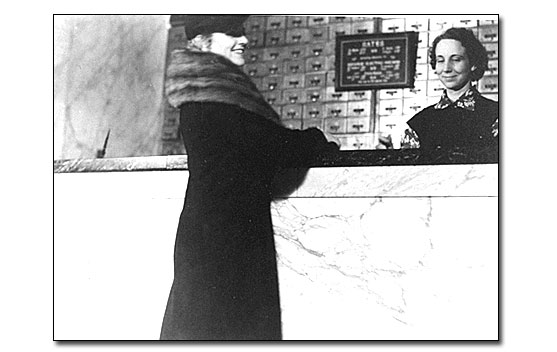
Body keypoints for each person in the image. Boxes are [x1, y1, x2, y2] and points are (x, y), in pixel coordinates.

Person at [160, 15, 339, 340]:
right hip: (228, 239)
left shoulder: (205, 92)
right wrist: (317, 141)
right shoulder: (217, 97)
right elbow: (277, 146)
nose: (243, 39)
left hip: (212, 233)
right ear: (204, 43)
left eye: (241, 31)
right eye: (231, 32)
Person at [400, 27, 499, 150]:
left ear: (473, 63)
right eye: (440, 60)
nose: (446, 68)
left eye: (456, 59)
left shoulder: (496, 116)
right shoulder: (418, 124)